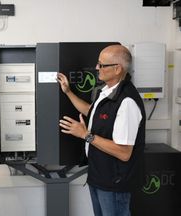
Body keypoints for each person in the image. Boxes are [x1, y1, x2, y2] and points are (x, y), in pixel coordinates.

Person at [57, 45, 145, 216]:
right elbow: (92, 111)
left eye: (101, 65)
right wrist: (68, 92)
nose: (97, 68)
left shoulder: (126, 102)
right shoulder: (107, 93)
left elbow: (124, 152)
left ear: (117, 69)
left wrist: (85, 135)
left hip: (114, 183)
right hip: (99, 176)